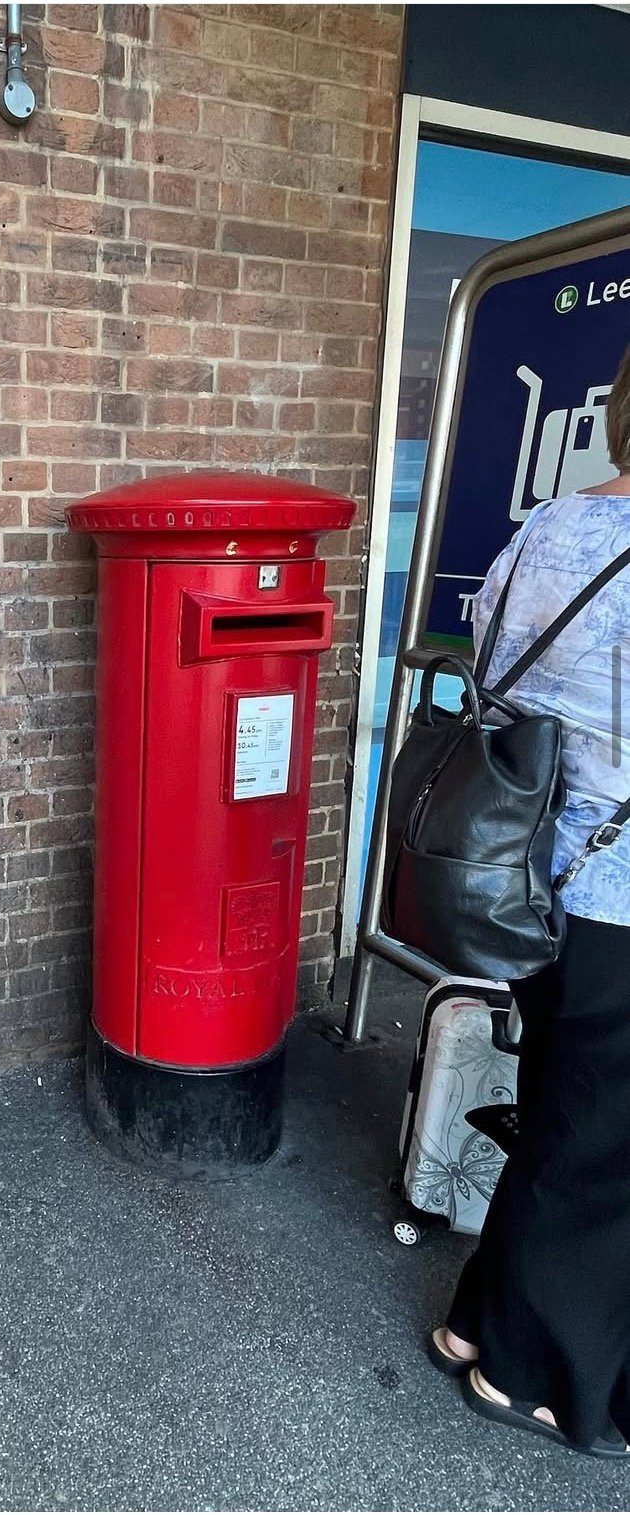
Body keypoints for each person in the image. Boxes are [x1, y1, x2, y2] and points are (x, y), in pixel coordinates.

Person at [425, 342, 630, 1457]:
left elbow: (490, 662)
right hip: (619, 896)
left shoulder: (547, 529)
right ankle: (529, 1372)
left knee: (563, 1112)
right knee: (602, 1148)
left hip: (528, 877)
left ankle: (477, 1318)